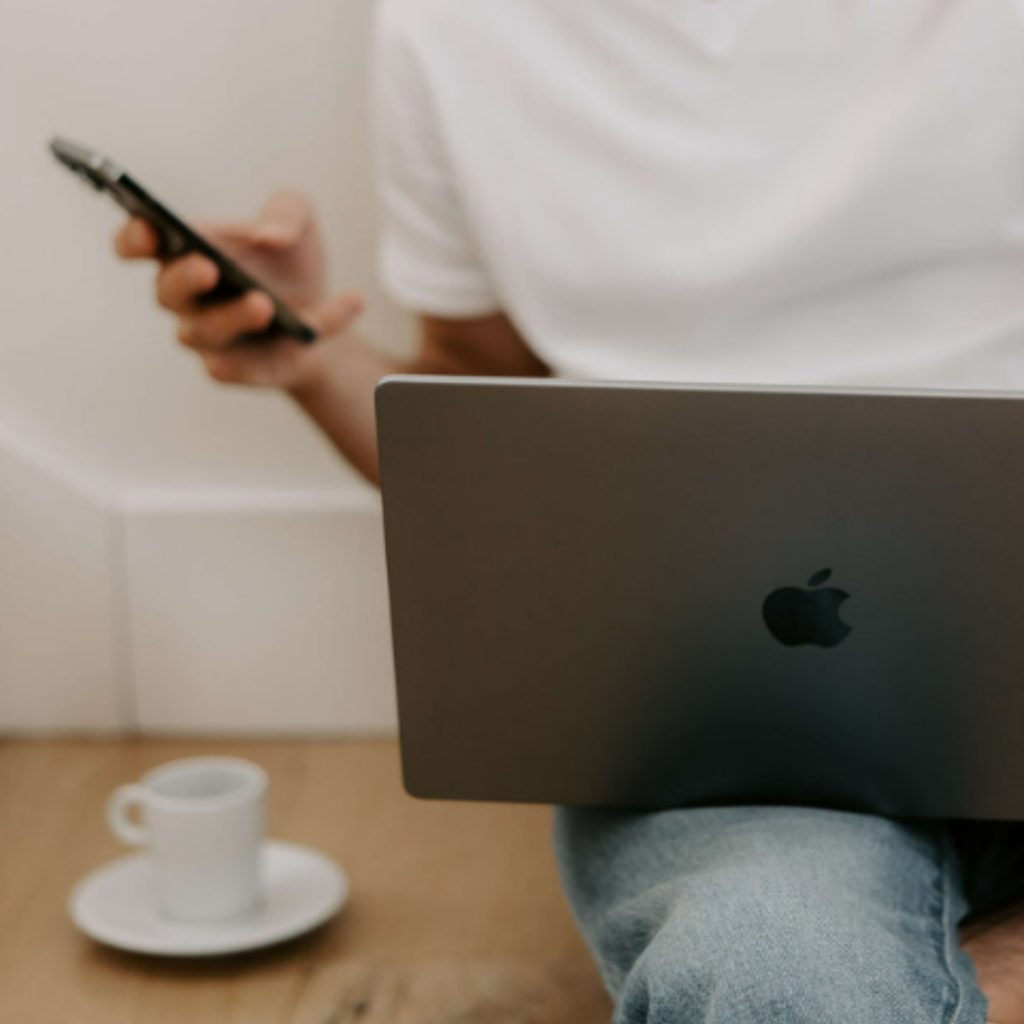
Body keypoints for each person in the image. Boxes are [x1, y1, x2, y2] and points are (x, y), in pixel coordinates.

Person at [114, 1, 1024, 1020]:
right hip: (721, 726)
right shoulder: (448, 30)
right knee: (771, 974)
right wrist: (308, 360)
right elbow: (481, 422)